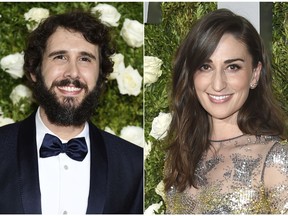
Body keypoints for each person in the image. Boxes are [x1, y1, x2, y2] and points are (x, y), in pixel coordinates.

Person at [0, 11, 143, 214]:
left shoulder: (133, 165)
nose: (73, 72)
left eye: (85, 59)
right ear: (34, 71)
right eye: (60, 57)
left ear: (101, 77)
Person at [164, 8, 288, 214]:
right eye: (205, 66)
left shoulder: (275, 159)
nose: (218, 84)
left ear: (255, 74)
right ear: (191, 75)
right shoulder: (179, 157)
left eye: (232, 67)